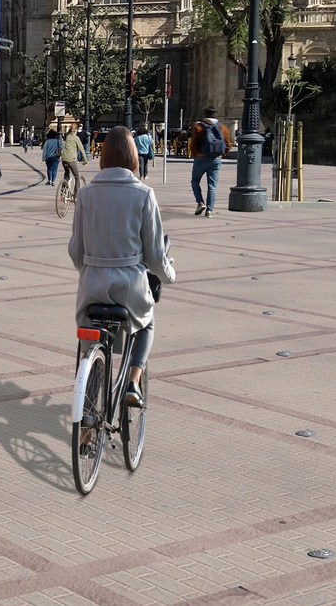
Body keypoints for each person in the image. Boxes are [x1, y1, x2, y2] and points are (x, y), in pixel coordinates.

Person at [68, 126, 177, 409]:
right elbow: (154, 254)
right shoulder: (143, 194)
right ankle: (132, 382)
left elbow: (75, 250)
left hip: (91, 283)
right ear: (133, 157)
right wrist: (169, 274)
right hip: (129, 284)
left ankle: (89, 407)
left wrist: (89, 268)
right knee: (147, 321)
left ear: (103, 156)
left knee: (88, 341)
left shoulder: (86, 193)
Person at [188, 106, 234, 217]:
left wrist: (195, 154)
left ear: (204, 114)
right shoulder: (222, 127)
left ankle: (200, 202)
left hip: (200, 158)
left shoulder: (198, 127)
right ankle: (210, 210)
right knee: (212, 185)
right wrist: (221, 154)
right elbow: (228, 144)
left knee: (195, 181)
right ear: (216, 114)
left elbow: (193, 143)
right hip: (216, 159)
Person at [62, 123, 90, 194]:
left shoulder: (68, 136)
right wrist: (85, 160)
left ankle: (63, 191)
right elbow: (82, 150)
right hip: (70, 159)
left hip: (64, 159)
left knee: (67, 174)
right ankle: (76, 194)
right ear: (76, 130)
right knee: (77, 176)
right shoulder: (76, 138)